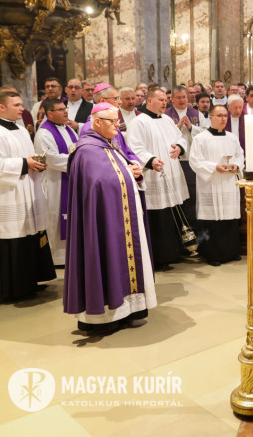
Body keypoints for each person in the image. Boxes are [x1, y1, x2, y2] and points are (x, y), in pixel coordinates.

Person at [63, 102, 156, 333]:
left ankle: (130, 309)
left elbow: (120, 170)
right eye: (113, 121)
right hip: (104, 222)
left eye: (118, 121)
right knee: (106, 256)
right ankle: (104, 317)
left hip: (122, 217)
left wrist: (135, 171)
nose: (118, 126)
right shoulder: (87, 151)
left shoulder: (110, 143)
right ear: (97, 122)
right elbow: (99, 183)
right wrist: (126, 173)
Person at [0, 91, 55, 300]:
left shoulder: (22, 130)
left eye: (21, 104)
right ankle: (12, 290)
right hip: (8, 194)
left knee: (31, 235)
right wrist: (25, 163)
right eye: (16, 105)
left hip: (28, 190)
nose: (22, 108)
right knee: (14, 236)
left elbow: (27, 157)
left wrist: (37, 162)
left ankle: (30, 282)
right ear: (1, 107)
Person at [127, 87, 190, 269]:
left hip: (171, 173)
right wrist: (151, 160)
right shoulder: (139, 122)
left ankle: (175, 252)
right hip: (153, 175)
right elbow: (134, 148)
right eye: (161, 100)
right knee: (158, 218)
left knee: (173, 213)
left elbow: (181, 138)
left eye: (165, 100)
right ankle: (159, 258)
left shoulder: (168, 120)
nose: (164, 103)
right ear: (149, 101)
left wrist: (180, 147)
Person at [189, 103, 244, 266]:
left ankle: (231, 251)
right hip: (211, 184)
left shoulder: (232, 138)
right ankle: (213, 254)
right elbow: (195, 161)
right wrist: (214, 167)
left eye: (225, 116)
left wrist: (236, 165)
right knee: (212, 219)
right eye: (219, 116)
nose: (223, 119)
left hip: (228, 182)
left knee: (229, 217)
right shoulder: (201, 138)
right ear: (211, 117)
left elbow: (240, 155)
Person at [34, 98, 78, 267]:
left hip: (70, 179)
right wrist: (79, 160)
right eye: (61, 109)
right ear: (50, 113)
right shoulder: (44, 133)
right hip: (55, 183)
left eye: (65, 108)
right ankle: (56, 258)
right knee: (55, 218)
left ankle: (71, 255)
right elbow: (51, 159)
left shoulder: (68, 129)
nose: (65, 111)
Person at [165, 85, 204, 229]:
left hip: (192, 161)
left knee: (192, 194)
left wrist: (191, 127)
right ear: (172, 99)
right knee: (177, 194)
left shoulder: (197, 114)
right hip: (174, 160)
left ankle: (193, 226)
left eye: (184, 97)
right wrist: (177, 127)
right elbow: (162, 136)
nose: (182, 100)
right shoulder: (165, 115)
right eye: (178, 97)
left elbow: (206, 133)